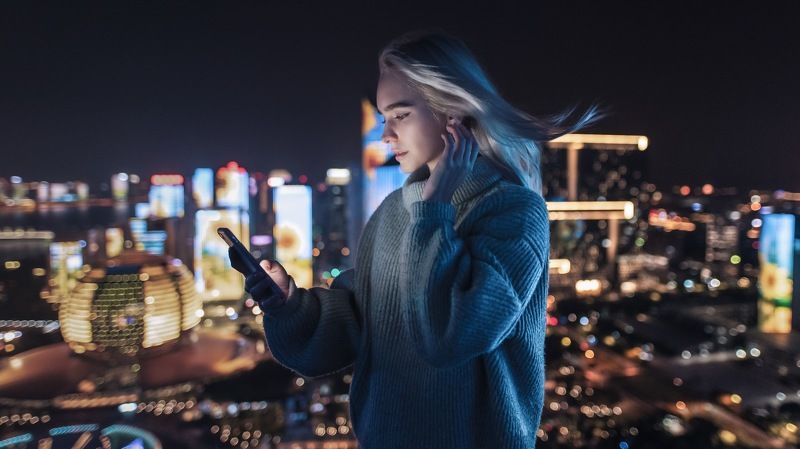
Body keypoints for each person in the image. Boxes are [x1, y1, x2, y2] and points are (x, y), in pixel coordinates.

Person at [232, 30, 600, 449]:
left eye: (400, 115)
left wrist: (435, 206)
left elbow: (450, 337)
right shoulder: (393, 210)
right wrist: (290, 305)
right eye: (382, 118)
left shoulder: (513, 213)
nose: (386, 136)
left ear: (453, 111)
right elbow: (357, 325)